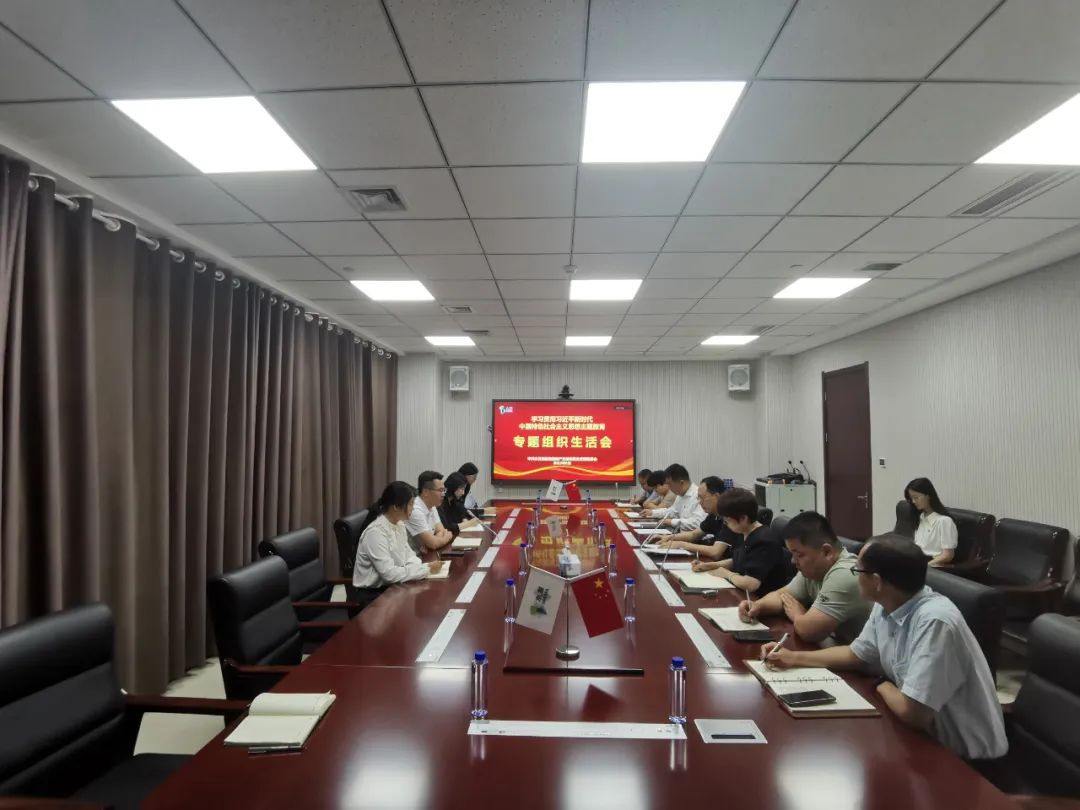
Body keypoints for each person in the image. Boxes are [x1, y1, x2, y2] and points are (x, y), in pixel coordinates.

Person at [761, 537, 1007, 762]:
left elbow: (913, 713)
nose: (854, 575)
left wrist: (881, 684)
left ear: (876, 581)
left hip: (964, 759)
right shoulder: (888, 602)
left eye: (858, 570)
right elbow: (856, 654)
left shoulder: (935, 621)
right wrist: (793, 658)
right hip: (921, 739)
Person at [737, 511, 871, 644]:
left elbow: (809, 631)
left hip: (853, 655)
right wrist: (758, 606)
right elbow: (782, 596)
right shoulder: (814, 569)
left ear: (827, 551)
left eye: (799, 555)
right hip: (830, 646)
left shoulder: (845, 574)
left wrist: (797, 615)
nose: (793, 561)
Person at [691, 488, 792, 595]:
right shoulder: (743, 531)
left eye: (727, 521)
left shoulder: (764, 541)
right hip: (744, 593)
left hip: (760, 598)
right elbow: (739, 560)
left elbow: (751, 584)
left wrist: (727, 574)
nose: (726, 525)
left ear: (743, 518)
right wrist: (711, 565)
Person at [353, 481, 444, 594]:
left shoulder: (399, 524)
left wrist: (424, 568)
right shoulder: (375, 532)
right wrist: (426, 569)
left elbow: (410, 557)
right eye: (410, 504)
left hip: (395, 586)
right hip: (373, 594)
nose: (413, 509)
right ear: (396, 506)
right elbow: (389, 575)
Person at [653, 476, 740, 561]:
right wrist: (669, 537)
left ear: (717, 496)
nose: (699, 502)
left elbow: (715, 552)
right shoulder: (714, 515)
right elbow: (693, 534)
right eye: (698, 497)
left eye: (702, 497)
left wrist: (681, 545)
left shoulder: (729, 516)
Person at [906, 477, 958, 567]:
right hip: (918, 562)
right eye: (912, 498)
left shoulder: (944, 521)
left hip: (933, 566)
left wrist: (924, 566)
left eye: (916, 497)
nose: (913, 501)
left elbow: (948, 555)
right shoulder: (920, 518)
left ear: (928, 496)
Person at [644, 463, 705, 531]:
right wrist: (652, 512)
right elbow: (672, 512)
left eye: (669, 484)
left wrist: (671, 522)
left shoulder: (698, 495)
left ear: (681, 483)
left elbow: (698, 523)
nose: (669, 488)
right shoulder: (680, 495)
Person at [406, 470, 454, 552]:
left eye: (444, 490)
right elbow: (433, 544)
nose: (443, 494)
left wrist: (435, 540)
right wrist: (448, 536)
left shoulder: (432, 505)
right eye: (440, 490)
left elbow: (441, 530)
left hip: (427, 553)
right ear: (425, 492)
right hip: (415, 556)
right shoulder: (415, 510)